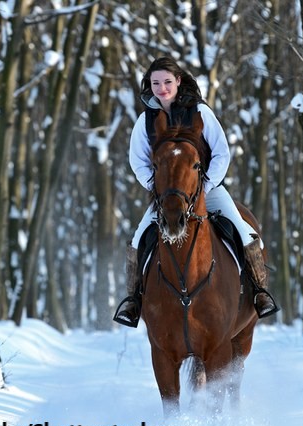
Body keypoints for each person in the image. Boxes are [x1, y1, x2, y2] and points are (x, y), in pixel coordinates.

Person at [113, 56, 279, 328]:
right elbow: (138, 162)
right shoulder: (145, 121)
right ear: (149, 85)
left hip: (206, 189)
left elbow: (222, 153)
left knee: (243, 229)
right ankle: (133, 301)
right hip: (167, 196)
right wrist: (158, 190)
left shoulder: (201, 112)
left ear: (178, 81)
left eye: (167, 81)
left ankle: (259, 292)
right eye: (156, 83)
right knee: (138, 239)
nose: (162, 88)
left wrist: (205, 186)